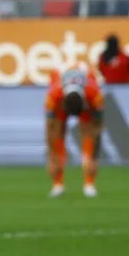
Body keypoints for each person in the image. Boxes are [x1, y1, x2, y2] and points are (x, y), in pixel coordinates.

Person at [45, 64, 104, 198]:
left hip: (86, 101)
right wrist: (52, 155)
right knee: (57, 136)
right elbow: (49, 129)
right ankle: (58, 184)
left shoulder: (95, 95)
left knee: (89, 134)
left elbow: (98, 128)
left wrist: (93, 156)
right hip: (61, 101)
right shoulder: (53, 96)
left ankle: (89, 184)